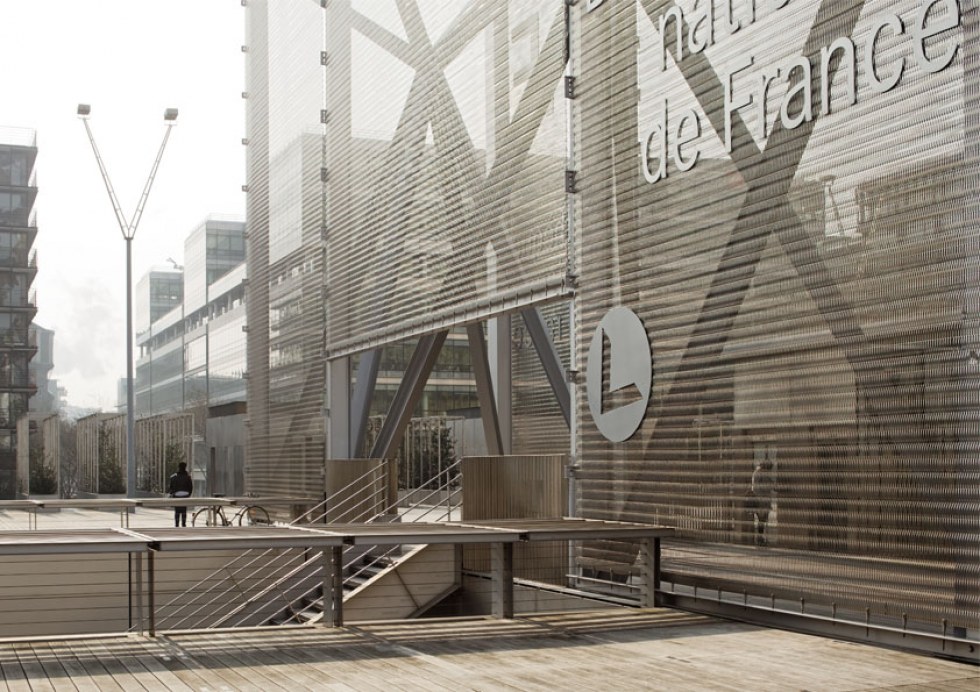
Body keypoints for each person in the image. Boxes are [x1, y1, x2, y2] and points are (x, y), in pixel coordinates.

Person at [168, 461, 193, 527]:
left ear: (179, 467)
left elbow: (171, 487)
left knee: (177, 511)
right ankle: (183, 524)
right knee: (184, 510)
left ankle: (176, 524)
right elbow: (190, 487)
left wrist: (172, 493)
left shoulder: (174, 476)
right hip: (185, 495)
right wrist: (189, 494)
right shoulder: (188, 477)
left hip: (176, 495)